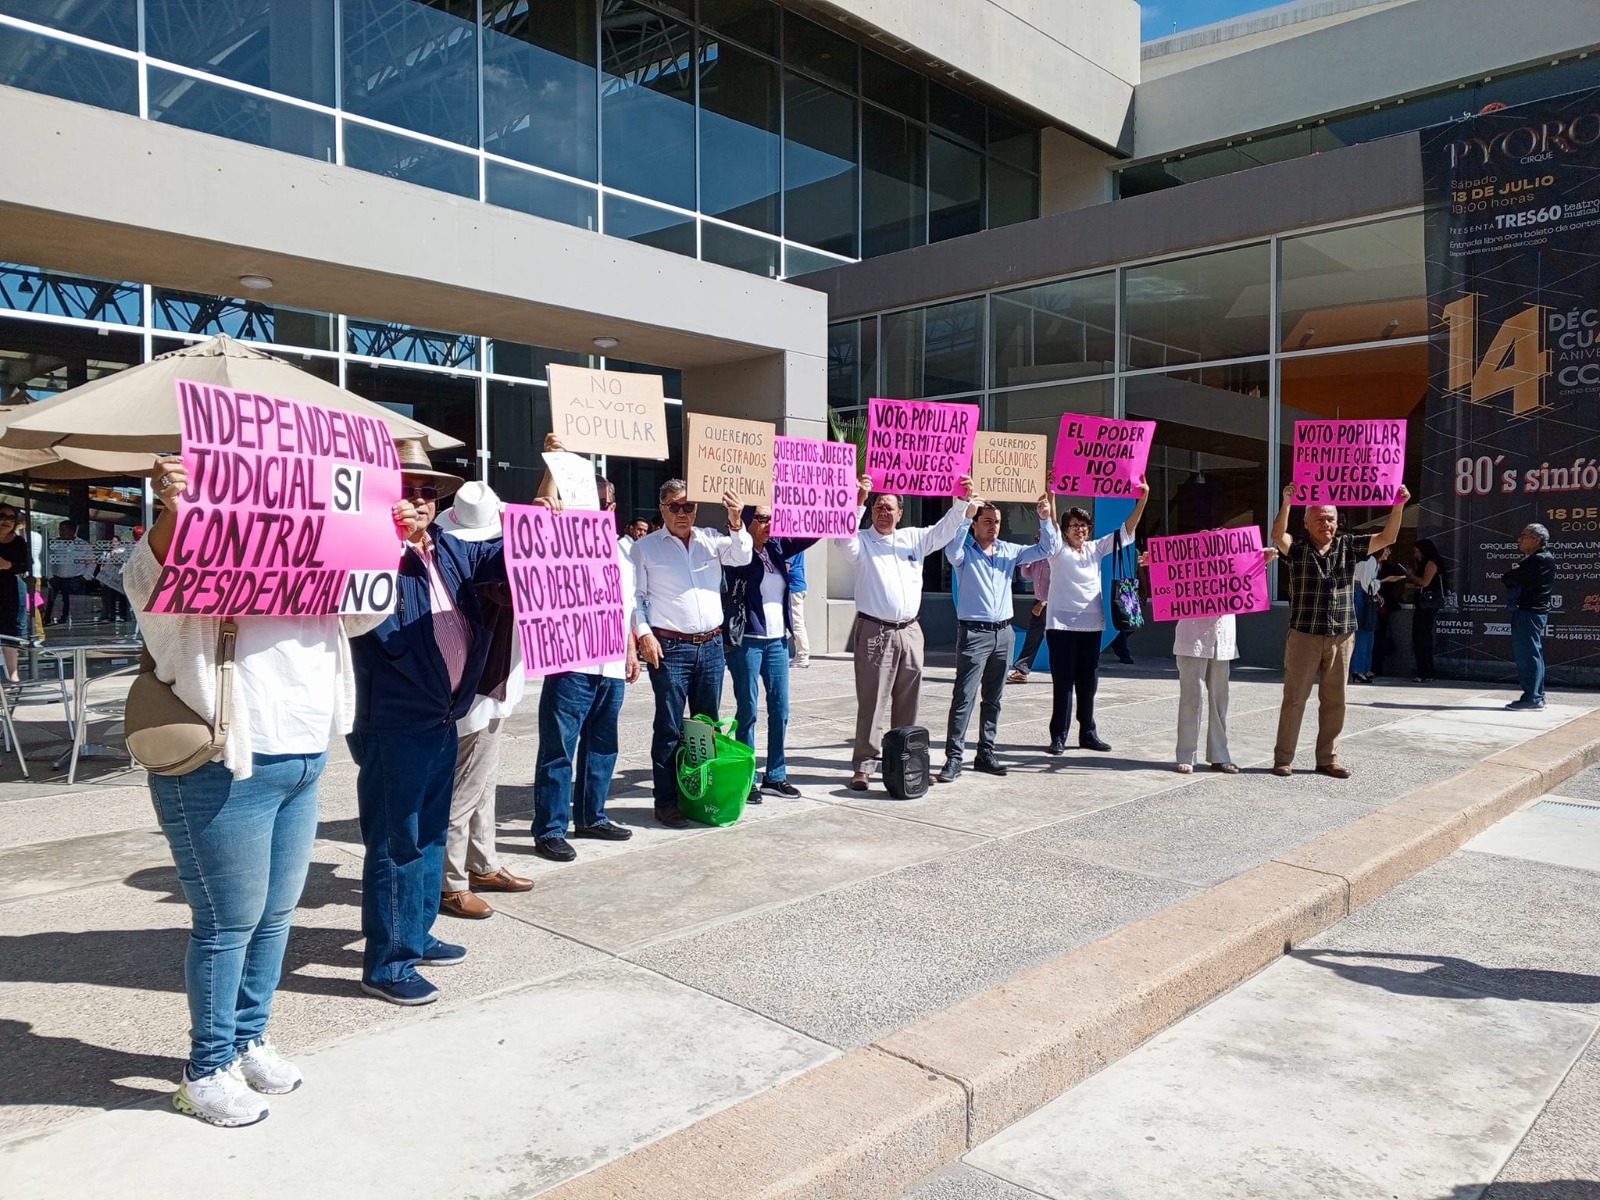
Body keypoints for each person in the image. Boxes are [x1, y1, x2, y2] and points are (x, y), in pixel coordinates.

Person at [124, 459, 386, 1127]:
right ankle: (205, 1070)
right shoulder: (197, 553)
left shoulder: (323, 557)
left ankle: (247, 1039)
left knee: (274, 915)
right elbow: (148, 579)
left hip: (301, 755)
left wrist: (370, 527)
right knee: (226, 922)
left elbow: (366, 610)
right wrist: (177, 511)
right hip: (223, 762)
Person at [348, 439, 505, 1006]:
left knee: (431, 833)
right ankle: (388, 964)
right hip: (395, 720)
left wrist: (552, 521)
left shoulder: (447, 549)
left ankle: (414, 933)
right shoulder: (366, 552)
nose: (415, 502)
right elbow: (360, 620)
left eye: (424, 492)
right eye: (403, 491)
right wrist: (385, 543)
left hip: (443, 715)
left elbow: (508, 564)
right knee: (399, 840)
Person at [531, 459, 641, 861]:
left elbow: (627, 608)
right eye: (587, 502)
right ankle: (550, 828)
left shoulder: (623, 554)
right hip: (571, 663)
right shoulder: (561, 542)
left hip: (610, 665)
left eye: (602, 503)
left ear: (612, 508)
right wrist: (551, 474)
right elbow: (539, 515)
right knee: (559, 749)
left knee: (602, 745)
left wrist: (630, 650)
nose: (596, 509)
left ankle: (592, 816)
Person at [840, 474, 978, 791]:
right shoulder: (861, 541)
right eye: (877, 507)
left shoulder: (913, 539)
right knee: (872, 702)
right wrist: (857, 500)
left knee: (909, 701)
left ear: (901, 513)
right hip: (875, 631)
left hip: (911, 631)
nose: (883, 512)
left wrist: (960, 501)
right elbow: (841, 539)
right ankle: (864, 766)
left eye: (889, 507)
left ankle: (906, 763)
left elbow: (943, 531)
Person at [436, 482, 534, 919]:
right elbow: (512, 570)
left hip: (493, 684)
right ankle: (450, 881)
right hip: (477, 688)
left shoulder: (452, 550)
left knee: (483, 782)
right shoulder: (475, 564)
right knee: (465, 789)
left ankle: (482, 862)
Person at [1270, 483, 1409, 778]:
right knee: (1295, 699)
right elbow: (1277, 536)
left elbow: (1388, 537)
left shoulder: (1349, 546)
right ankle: (1283, 758)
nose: (1326, 524)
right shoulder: (1297, 549)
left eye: (1331, 518)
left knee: (1336, 700)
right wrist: (1286, 503)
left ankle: (1327, 758)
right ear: (1306, 522)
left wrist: (1398, 506)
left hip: (1342, 635)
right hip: (1304, 635)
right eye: (1319, 518)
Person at [631, 480, 749, 827]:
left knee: (705, 728)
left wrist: (736, 520)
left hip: (711, 646)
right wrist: (644, 635)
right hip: (670, 649)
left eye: (689, 507)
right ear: (662, 508)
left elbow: (742, 555)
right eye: (675, 507)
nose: (682, 513)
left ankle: (702, 793)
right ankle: (666, 801)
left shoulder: (712, 539)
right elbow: (635, 598)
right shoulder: (646, 548)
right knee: (668, 727)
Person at [939, 496, 1059, 782]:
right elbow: (950, 550)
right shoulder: (964, 551)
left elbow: (1047, 548)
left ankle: (986, 753)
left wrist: (1045, 518)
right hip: (974, 633)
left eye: (997, 522)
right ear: (976, 525)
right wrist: (965, 515)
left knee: (993, 698)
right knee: (964, 697)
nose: (993, 526)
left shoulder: (1008, 551)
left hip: (1003, 633)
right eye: (987, 521)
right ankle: (954, 758)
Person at [1041, 480, 1150, 756]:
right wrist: (1050, 490)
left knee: (1088, 683)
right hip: (1061, 627)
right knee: (1063, 682)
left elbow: (1127, 530)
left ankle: (1088, 733)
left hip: (1091, 626)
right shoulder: (1057, 549)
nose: (1080, 530)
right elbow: (1051, 521)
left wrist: (1143, 498)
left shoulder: (1095, 549)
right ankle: (1058, 736)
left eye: (1084, 525)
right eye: (1075, 525)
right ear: (1065, 530)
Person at [723, 505, 817, 803]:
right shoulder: (737, 552)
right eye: (761, 518)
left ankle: (775, 775)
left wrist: (845, 503)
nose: (768, 524)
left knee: (781, 709)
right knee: (748, 711)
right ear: (748, 521)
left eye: (771, 518)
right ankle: (747, 778)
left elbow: (812, 533)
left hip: (777, 641)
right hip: (748, 641)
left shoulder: (777, 547)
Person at [1171, 546, 1278, 774]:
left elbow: (1248, 580)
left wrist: (1262, 561)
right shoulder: (1188, 570)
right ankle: (1186, 755)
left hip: (1222, 641)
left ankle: (1220, 755)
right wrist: (1159, 564)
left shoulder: (1233, 572)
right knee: (1191, 698)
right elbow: (1170, 580)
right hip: (1192, 639)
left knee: (1220, 700)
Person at [1502, 523, 1556, 711]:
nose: (1520, 539)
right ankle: (1537, 695)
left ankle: (1532, 697)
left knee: (1528, 655)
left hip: (1529, 613)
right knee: (1533, 654)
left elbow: (1510, 578)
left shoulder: (1538, 560)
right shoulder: (1540, 559)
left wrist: (1511, 576)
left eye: (1524, 536)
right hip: (1533, 612)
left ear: (1537, 539)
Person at [1400, 538, 1448, 683]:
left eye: (1416, 551)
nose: (1415, 555)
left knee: (1422, 638)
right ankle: (1425, 671)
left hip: (1427, 606)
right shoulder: (1428, 563)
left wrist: (1410, 576)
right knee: (1421, 638)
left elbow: (1424, 582)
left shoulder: (1431, 563)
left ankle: (1425, 672)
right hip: (1425, 605)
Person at [1008, 539, 1050, 684]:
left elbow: (1061, 583)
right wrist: (1028, 559)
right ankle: (1022, 670)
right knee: (1033, 636)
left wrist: (1044, 602)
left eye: (1041, 538)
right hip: (1038, 601)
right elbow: (1026, 574)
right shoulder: (1038, 557)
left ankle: (1074, 670)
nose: (1038, 541)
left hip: (1051, 602)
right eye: (1036, 539)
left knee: (1059, 638)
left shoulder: (1055, 557)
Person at [0, 504, 32, 683]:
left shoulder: (19, 542)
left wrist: (8, 565)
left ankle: (13, 674)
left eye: (11, 518)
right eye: (2, 516)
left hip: (10, 588)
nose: (5, 521)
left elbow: (27, 565)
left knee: (11, 629)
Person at [1349, 547, 1388, 684]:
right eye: (1387, 549)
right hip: (1360, 595)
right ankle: (1358, 669)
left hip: (1365, 594)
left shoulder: (1374, 562)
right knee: (1363, 631)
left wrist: (1376, 594)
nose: (1388, 553)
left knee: (1368, 631)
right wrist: (1384, 581)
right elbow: (1366, 584)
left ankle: (1364, 668)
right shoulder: (1369, 560)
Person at [45, 520, 91, 624]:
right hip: (56, 578)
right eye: (60, 530)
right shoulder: (55, 544)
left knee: (72, 602)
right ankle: (47, 618)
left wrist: (85, 577)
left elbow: (91, 562)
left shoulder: (82, 545)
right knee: (51, 600)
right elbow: (47, 561)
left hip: (75, 579)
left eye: (64, 530)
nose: (61, 532)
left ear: (72, 531)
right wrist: (50, 576)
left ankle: (69, 620)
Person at [97, 534, 133, 623]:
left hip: (120, 578)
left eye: (116, 542)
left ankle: (123, 615)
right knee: (110, 597)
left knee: (122, 597)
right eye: (112, 542)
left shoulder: (123, 550)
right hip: (109, 578)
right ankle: (111, 615)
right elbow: (102, 564)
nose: (114, 543)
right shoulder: (106, 553)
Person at [787, 548, 811, 669]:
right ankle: (801, 655)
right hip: (796, 586)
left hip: (793, 587)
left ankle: (802, 656)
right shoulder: (795, 541)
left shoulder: (788, 543)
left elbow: (785, 566)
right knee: (796, 621)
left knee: (796, 622)